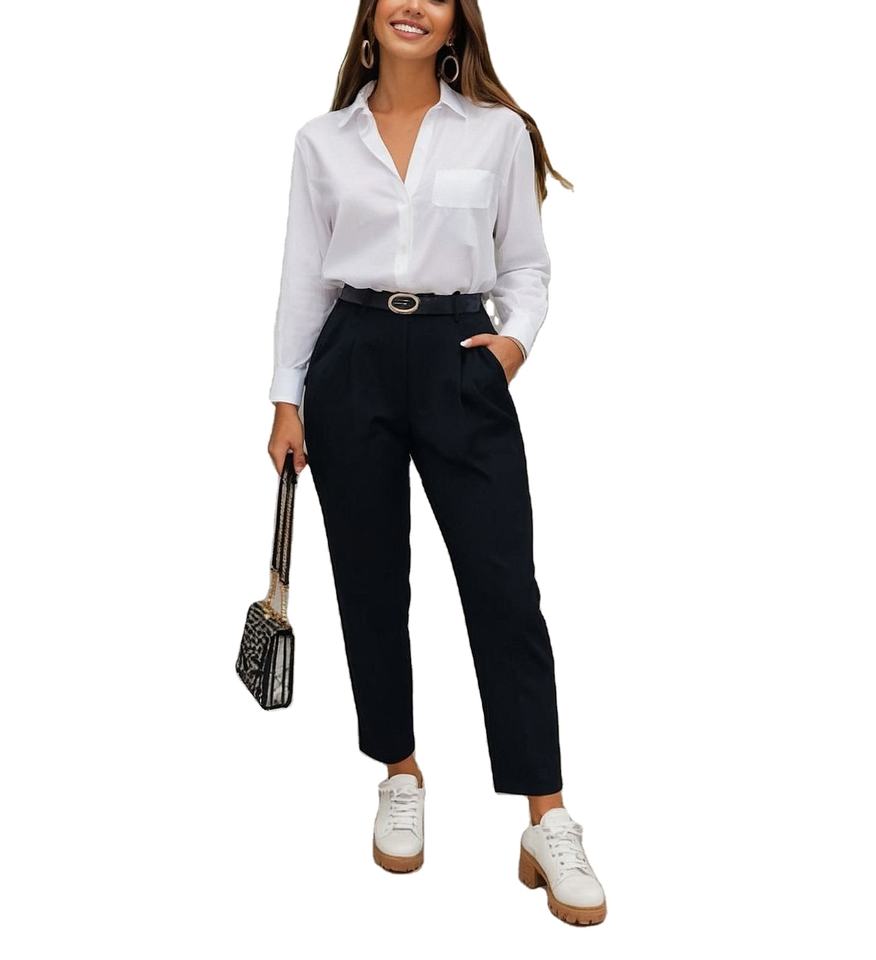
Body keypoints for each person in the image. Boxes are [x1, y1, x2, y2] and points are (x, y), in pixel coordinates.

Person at [266, 0, 606, 926]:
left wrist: (511, 347)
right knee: (370, 582)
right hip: (352, 360)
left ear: (457, 24)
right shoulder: (321, 142)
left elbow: (526, 266)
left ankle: (547, 816)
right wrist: (287, 397)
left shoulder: (498, 134)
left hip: (461, 358)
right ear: (370, 17)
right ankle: (400, 771)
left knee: (504, 588)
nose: (413, 4)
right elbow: (304, 275)